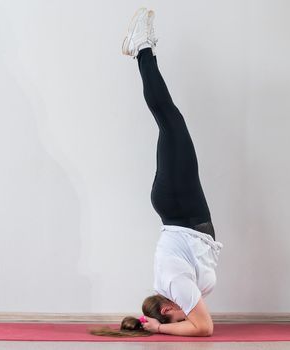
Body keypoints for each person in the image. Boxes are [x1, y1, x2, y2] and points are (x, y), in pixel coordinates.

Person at [90, 7, 224, 338]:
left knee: (170, 119)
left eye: (179, 318)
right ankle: (142, 49)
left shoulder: (175, 287)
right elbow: (198, 323)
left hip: (180, 207)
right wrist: (160, 326)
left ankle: (141, 49)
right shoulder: (173, 288)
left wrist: (161, 330)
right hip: (179, 209)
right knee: (169, 121)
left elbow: (204, 329)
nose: (187, 318)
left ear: (166, 309)